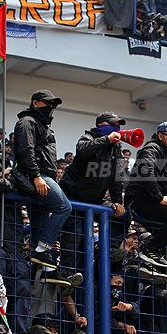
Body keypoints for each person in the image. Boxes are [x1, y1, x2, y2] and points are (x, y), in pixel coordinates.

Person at [11, 90, 72, 283]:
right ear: (35, 103)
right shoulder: (27, 122)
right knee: (64, 207)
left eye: (53, 104)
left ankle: (46, 269)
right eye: (47, 103)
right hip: (36, 176)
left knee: (40, 223)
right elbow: (25, 151)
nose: (51, 107)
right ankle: (42, 249)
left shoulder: (44, 126)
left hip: (44, 177)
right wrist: (37, 176)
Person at [59, 111, 126, 266]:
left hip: (94, 200)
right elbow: (82, 150)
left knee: (123, 215)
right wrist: (106, 140)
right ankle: (67, 274)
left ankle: (110, 251)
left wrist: (117, 202)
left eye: (119, 126)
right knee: (74, 238)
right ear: (101, 125)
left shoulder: (116, 148)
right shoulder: (89, 137)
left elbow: (117, 178)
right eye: (114, 125)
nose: (117, 128)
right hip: (72, 197)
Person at [125, 121, 167, 268]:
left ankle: (146, 262)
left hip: (152, 201)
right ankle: (150, 249)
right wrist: (159, 198)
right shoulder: (151, 149)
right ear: (160, 136)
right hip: (139, 199)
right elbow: (146, 171)